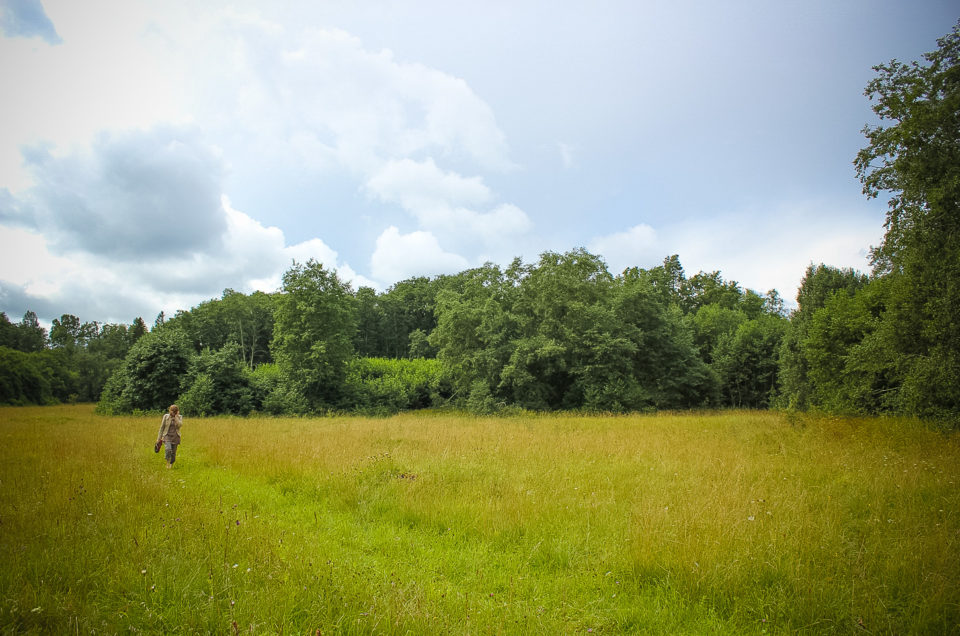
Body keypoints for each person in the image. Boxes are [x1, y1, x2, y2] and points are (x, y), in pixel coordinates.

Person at [157, 404, 183, 469]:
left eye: (174, 411)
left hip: (175, 436)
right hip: (167, 435)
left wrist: (176, 417)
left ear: (176, 411)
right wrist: (158, 438)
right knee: (168, 449)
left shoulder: (179, 417)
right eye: (171, 411)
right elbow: (162, 427)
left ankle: (171, 464)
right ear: (169, 410)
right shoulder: (166, 416)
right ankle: (167, 463)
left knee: (173, 452)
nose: (172, 412)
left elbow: (179, 425)